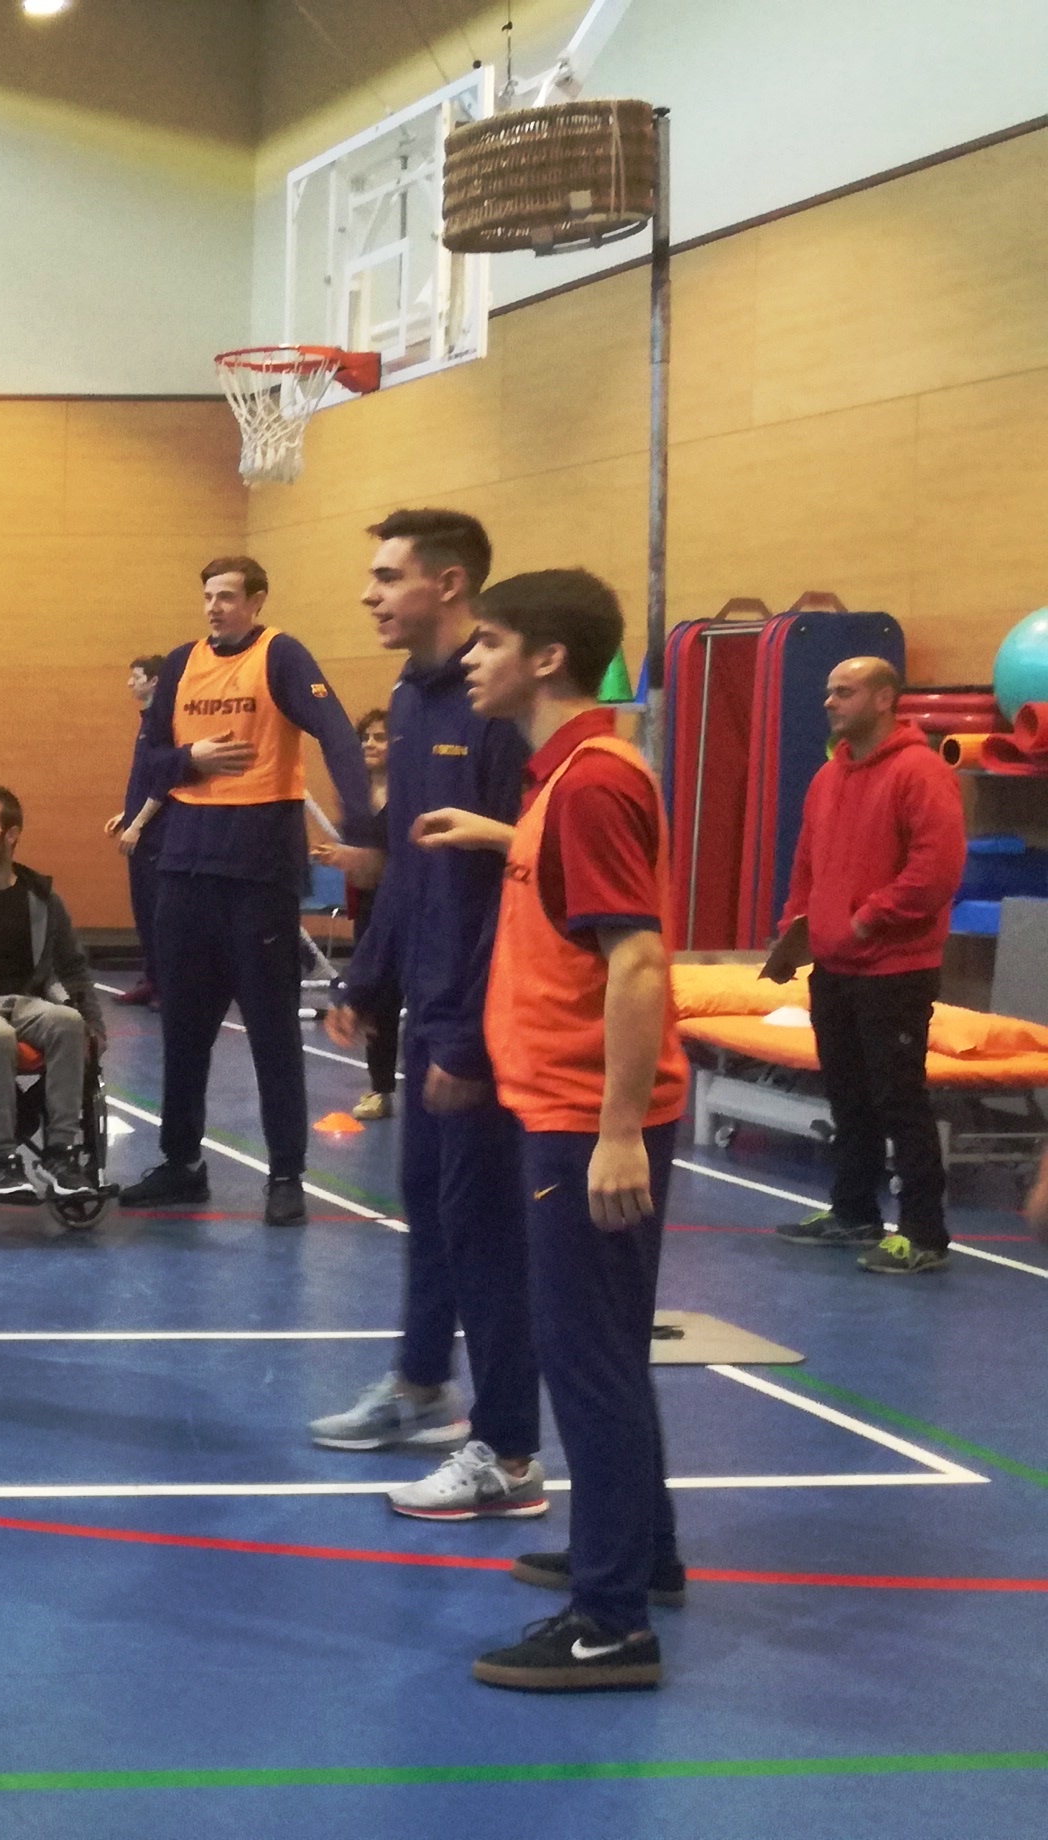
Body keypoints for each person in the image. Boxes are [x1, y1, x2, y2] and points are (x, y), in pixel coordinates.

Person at [409, 567, 689, 1692]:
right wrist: (502, 835)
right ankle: (641, 1552)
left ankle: (611, 1622)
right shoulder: (563, 778)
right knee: (604, 1350)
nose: (469, 659)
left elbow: (638, 959)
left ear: (548, 659)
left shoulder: (590, 783)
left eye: (489, 642)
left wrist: (618, 1131)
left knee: (586, 1362)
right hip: (564, 1108)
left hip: (585, 1120)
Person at [310, 509, 544, 1525]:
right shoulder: (409, 699)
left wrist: (471, 1038)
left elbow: (512, 892)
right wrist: (367, 980)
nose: (369, 594)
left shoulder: (498, 708)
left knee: (485, 1232)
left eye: (386, 576)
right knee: (428, 1210)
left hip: (480, 1020)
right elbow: (410, 865)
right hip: (428, 1003)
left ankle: (510, 1445)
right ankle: (419, 1385)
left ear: (448, 585)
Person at [119, 556, 381, 1227]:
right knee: (183, 1033)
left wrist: (363, 823)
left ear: (257, 601)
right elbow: (150, 762)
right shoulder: (182, 664)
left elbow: (335, 732)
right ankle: (181, 1164)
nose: (215, 607)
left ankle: (286, 1174)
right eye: (208, 595)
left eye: (228, 596)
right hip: (185, 873)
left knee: (272, 1034)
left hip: (258, 876)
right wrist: (191, 760)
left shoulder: (282, 657)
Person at [763, 655, 967, 1274]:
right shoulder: (828, 778)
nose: (829, 702)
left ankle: (924, 1234)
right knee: (847, 1096)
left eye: (844, 692)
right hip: (834, 968)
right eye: (829, 691)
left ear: (883, 699)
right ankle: (853, 1211)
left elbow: (935, 870)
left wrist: (867, 919)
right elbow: (806, 865)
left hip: (894, 969)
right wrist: (795, 929)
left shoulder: (921, 773)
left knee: (899, 1099)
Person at [0, 786, 102, 1204]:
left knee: (70, 1023)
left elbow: (72, 968)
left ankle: (61, 1154)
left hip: (25, 1001)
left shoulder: (41, 898)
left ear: (11, 835)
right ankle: (3, 1160)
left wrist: (95, 1025)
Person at [327, 706, 400, 1117]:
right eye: (366, 738)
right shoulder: (356, 796)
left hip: (405, 901)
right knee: (377, 998)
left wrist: (367, 859)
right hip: (369, 904)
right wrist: (345, 859)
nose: (370, 744)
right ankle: (380, 1087)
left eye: (380, 737)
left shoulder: (410, 790)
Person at [104, 653, 166, 1007]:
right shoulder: (146, 722)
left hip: (156, 836)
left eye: (136, 677)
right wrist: (126, 814)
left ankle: (167, 987)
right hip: (140, 831)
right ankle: (151, 978)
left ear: (154, 681)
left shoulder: (163, 722)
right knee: (143, 910)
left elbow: (165, 782)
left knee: (159, 914)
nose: (130, 683)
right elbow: (145, 780)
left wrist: (139, 823)